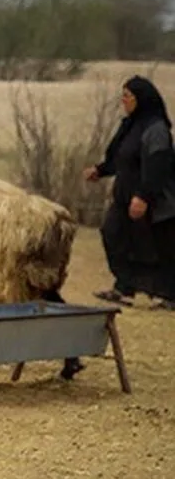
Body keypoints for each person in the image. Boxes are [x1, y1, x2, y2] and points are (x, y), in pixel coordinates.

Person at [86, 75, 175, 310]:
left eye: (128, 96)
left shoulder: (156, 129)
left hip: (153, 200)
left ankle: (168, 294)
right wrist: (100, 170)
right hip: (124, 196)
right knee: (112, 234)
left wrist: (144, 196)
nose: (123, 101)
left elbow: (158, 166)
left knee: (159, 247)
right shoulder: (130, 125)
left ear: (141, 99)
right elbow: (121, 157)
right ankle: (124, 286)